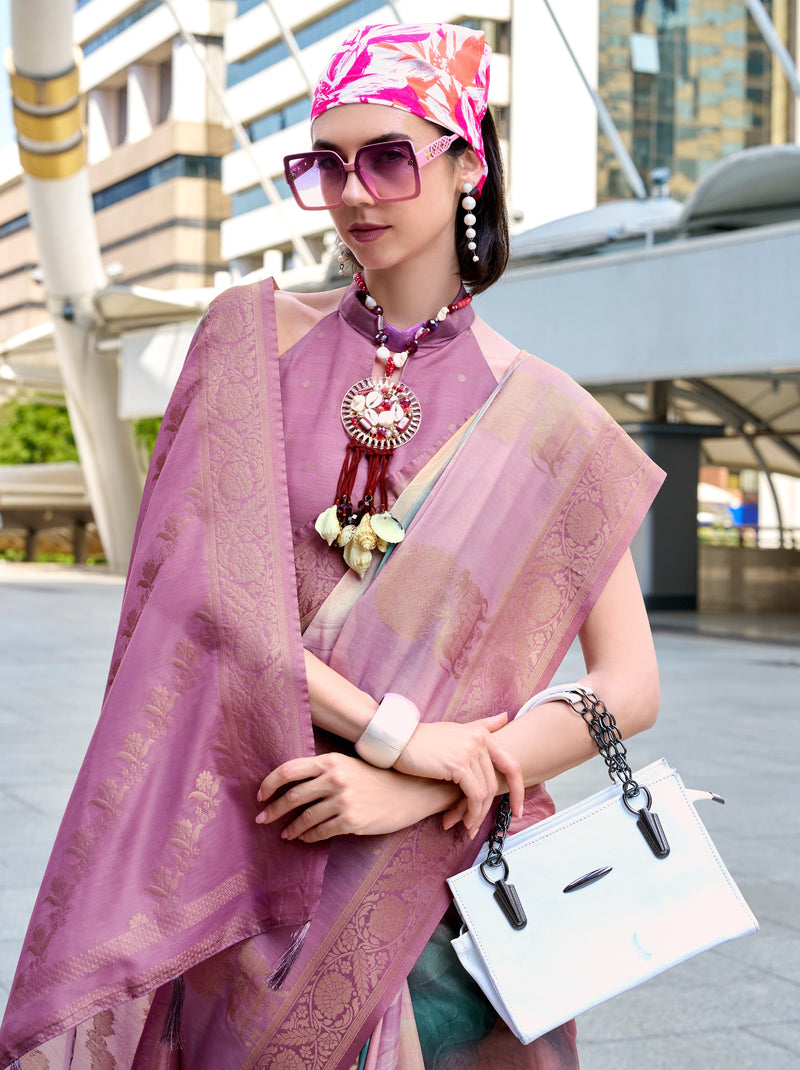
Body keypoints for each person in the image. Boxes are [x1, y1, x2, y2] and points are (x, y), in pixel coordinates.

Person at [0, 22, 663, 1070]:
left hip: (447, 902)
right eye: (329, 164)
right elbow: (204, 602)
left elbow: (626, 686)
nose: (356, 193)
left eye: (390, 157)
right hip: (255, 866)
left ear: (465, 165)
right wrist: (399, 733)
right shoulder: (247, 345)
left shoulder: (550, 422)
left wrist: (421, 784)